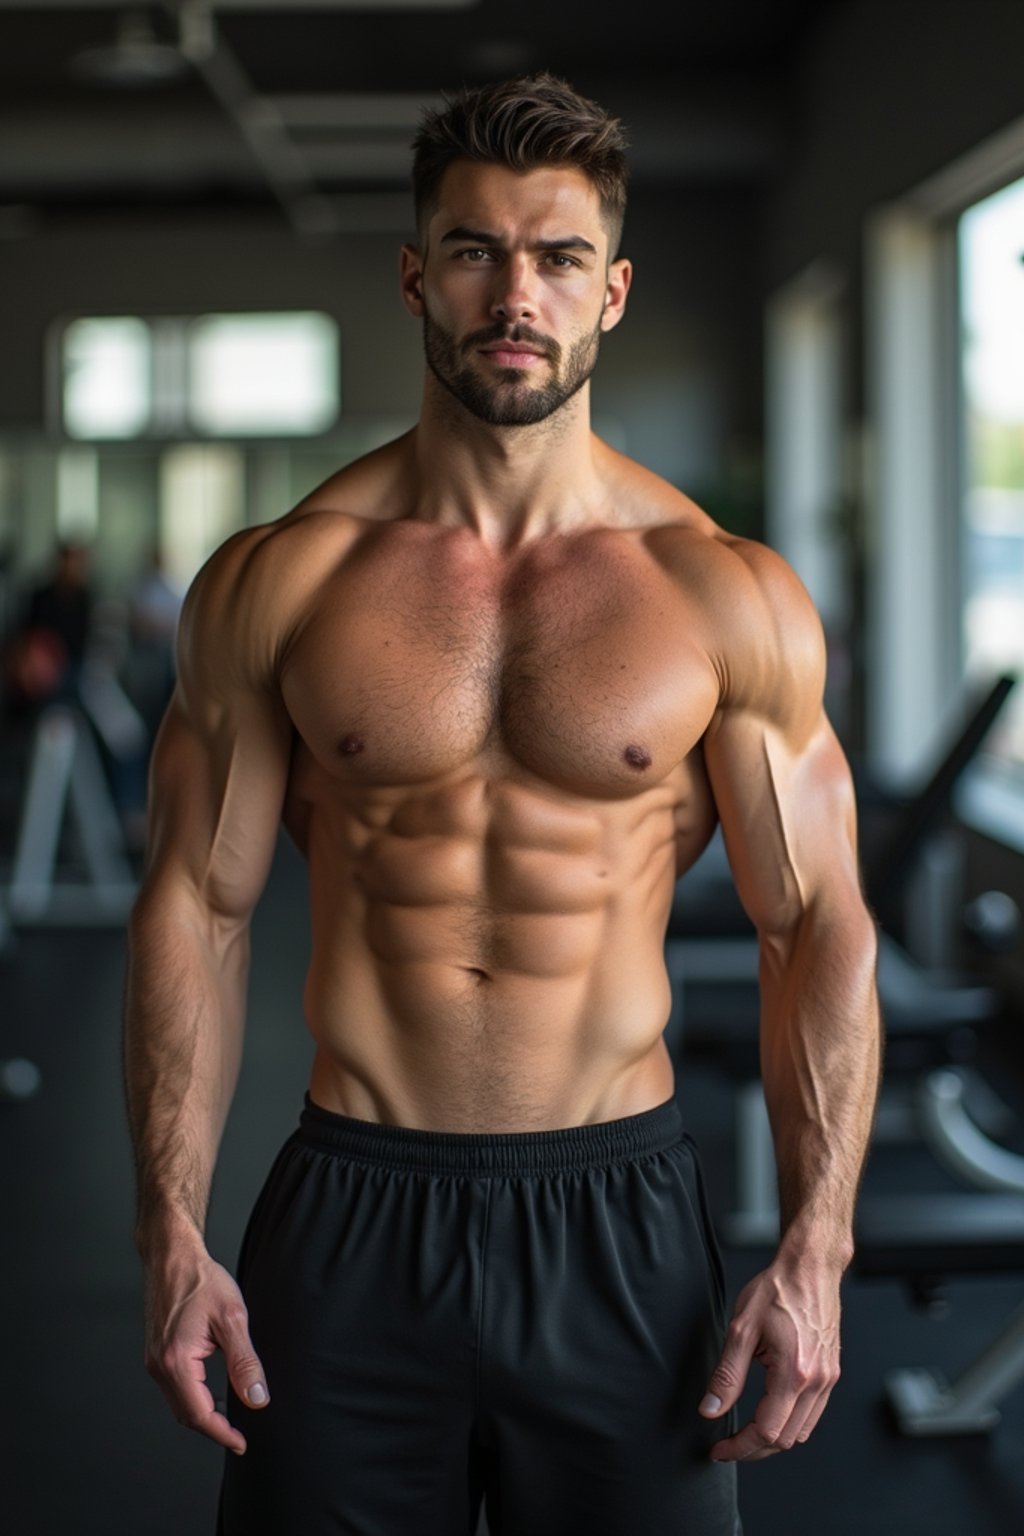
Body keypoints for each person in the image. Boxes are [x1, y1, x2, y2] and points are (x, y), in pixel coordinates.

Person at [123, 74, 881, 1536]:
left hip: (621, 1217)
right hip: (349, 1211)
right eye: (474, 250)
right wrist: (166, 1232)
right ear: (418, 274)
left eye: (558, 258)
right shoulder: (282, 580)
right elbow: (196, 910)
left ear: (613, 292)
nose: (513, 292)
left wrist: (819, 1247)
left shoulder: (720, 592)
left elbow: (819, 926)